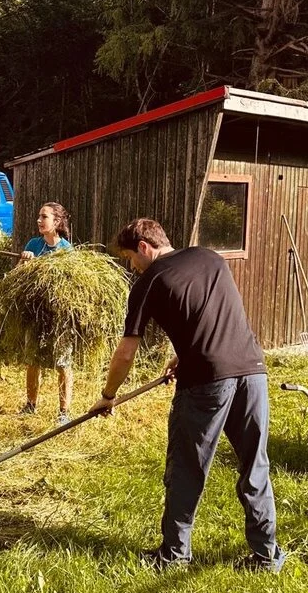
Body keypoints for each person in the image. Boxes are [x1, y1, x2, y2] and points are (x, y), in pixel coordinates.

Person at [88, 218, 284, 573]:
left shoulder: (150, 281)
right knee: (255, 464)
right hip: (253, 370)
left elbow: (126, 352)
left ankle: (175, 555)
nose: (132, 266)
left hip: (206, 383)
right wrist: (185, 353)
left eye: (131, 257)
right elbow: (213, 316)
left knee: (186, 469)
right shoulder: (211, 258)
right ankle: (266, 556)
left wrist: (108, 394)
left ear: (145, 247)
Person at [19, 202, 74, 425]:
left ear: (57, 222)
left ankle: (64, 411)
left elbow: (73, 284)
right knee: (32, 360)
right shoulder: (33, 245)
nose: (39, 221)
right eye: (39, 217)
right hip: (35, 313)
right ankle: (31, 404)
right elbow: (17, 278)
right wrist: (24, 262)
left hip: (59, 316)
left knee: (63, 363)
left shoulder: (66, 250)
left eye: (44, 217)